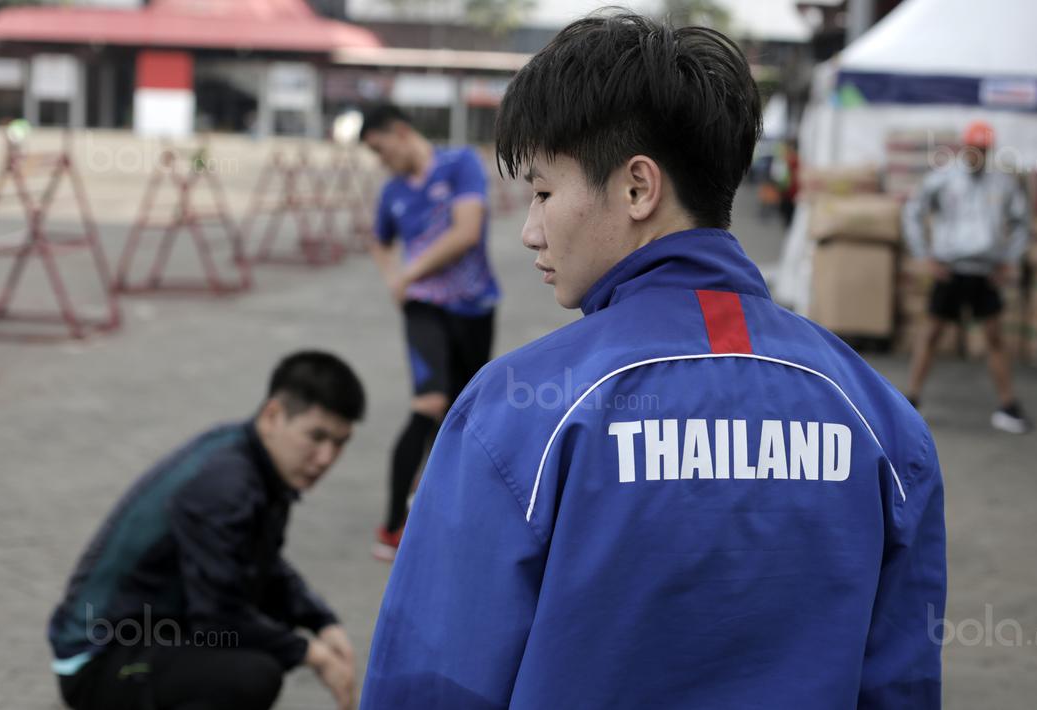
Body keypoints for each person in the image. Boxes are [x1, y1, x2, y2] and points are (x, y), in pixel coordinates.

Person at [360, 12, 945, 710]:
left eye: (544, 192)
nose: (528, 230)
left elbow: (432, 681)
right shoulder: (880, 418)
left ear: (638, 188)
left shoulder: (518, 413)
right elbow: (902, 685)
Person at [47, 351, 365, 710]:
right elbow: (217, 616)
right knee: (251, 674)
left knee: (258, 630)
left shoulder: (255, 459)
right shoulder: (226, 485)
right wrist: (312, 654)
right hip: (99, 658)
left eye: (339, 443)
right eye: (316, 436)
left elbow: (264, 566)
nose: (326, 458)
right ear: (272, 415)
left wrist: (321, 621)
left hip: (149, 630)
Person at [359, 105, 499, 560]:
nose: (381, 162)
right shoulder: (393, 193)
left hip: (474, 307)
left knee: (460, 411)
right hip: (423, 308)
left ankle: (442, 504)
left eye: (381, 149)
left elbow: (466, 231)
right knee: (430, 401)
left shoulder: (461, 164)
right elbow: (379, 241)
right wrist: (395, 281)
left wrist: (407, 272)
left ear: (400, 132)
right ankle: (392, 527)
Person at [902, 120, 1033, 433]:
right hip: (950, 269)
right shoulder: (944, 178)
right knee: (931, 334)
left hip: (984, 272)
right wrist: (924, 255)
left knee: (994, 337)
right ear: (963, 147)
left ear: (989, 151)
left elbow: (1021, 221)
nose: (977, 154)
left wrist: (1009, 261)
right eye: (973, 148)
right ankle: (910, 402)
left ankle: (1008, 405)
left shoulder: (1002, 183)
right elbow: (913, 210)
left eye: (983, 150)